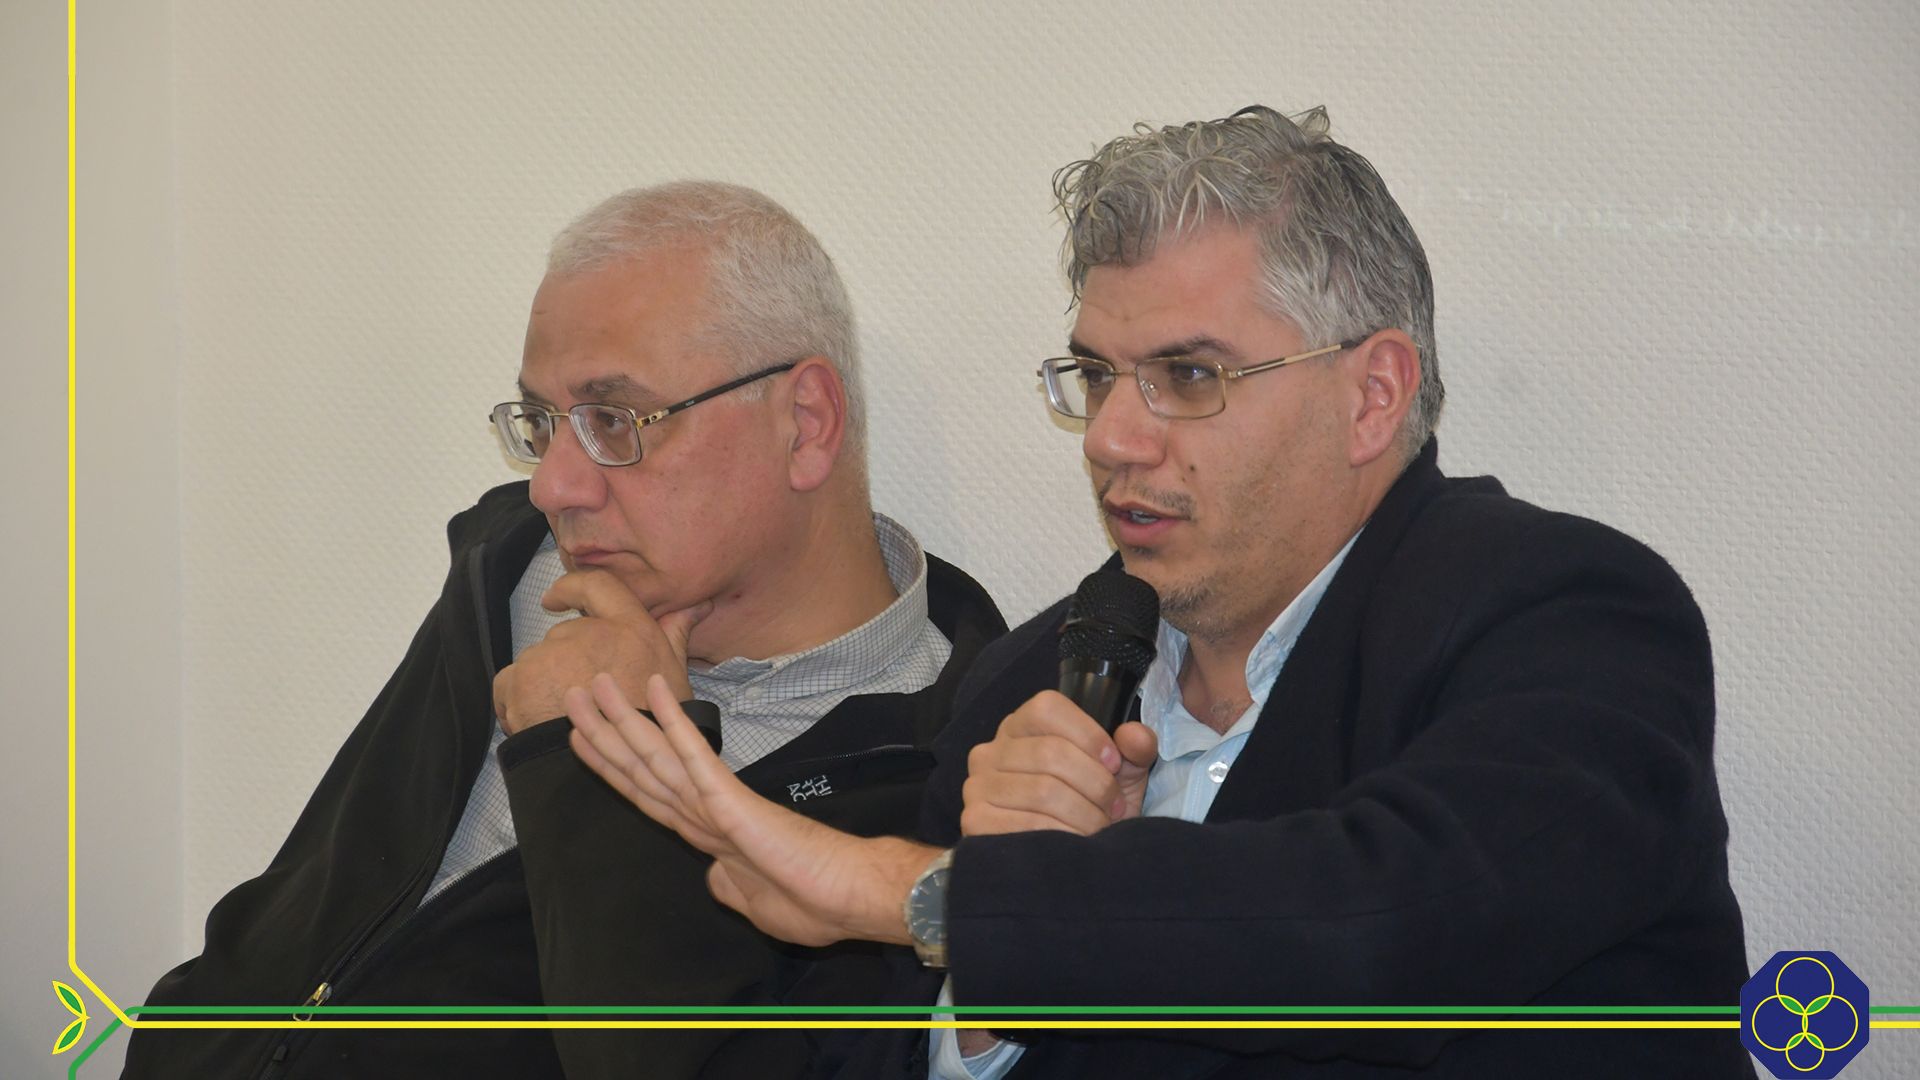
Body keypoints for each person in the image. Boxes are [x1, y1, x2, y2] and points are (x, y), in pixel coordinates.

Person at [566, 108, 1755, 1078]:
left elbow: (1387, 929)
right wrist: (983, 1012)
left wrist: (931, 896)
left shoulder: (1568, 613)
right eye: (1096, 375)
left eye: (1188, 375)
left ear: (1374, 395)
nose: (1112, 438)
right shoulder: (1033, 685)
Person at [122, 181, 1007, 1080]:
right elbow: (318, 910)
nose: (553, 486)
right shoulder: (514, 566)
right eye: (543, 423)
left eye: (614, 421)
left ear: (805, 424)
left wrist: (600, 763)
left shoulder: (944, 774)